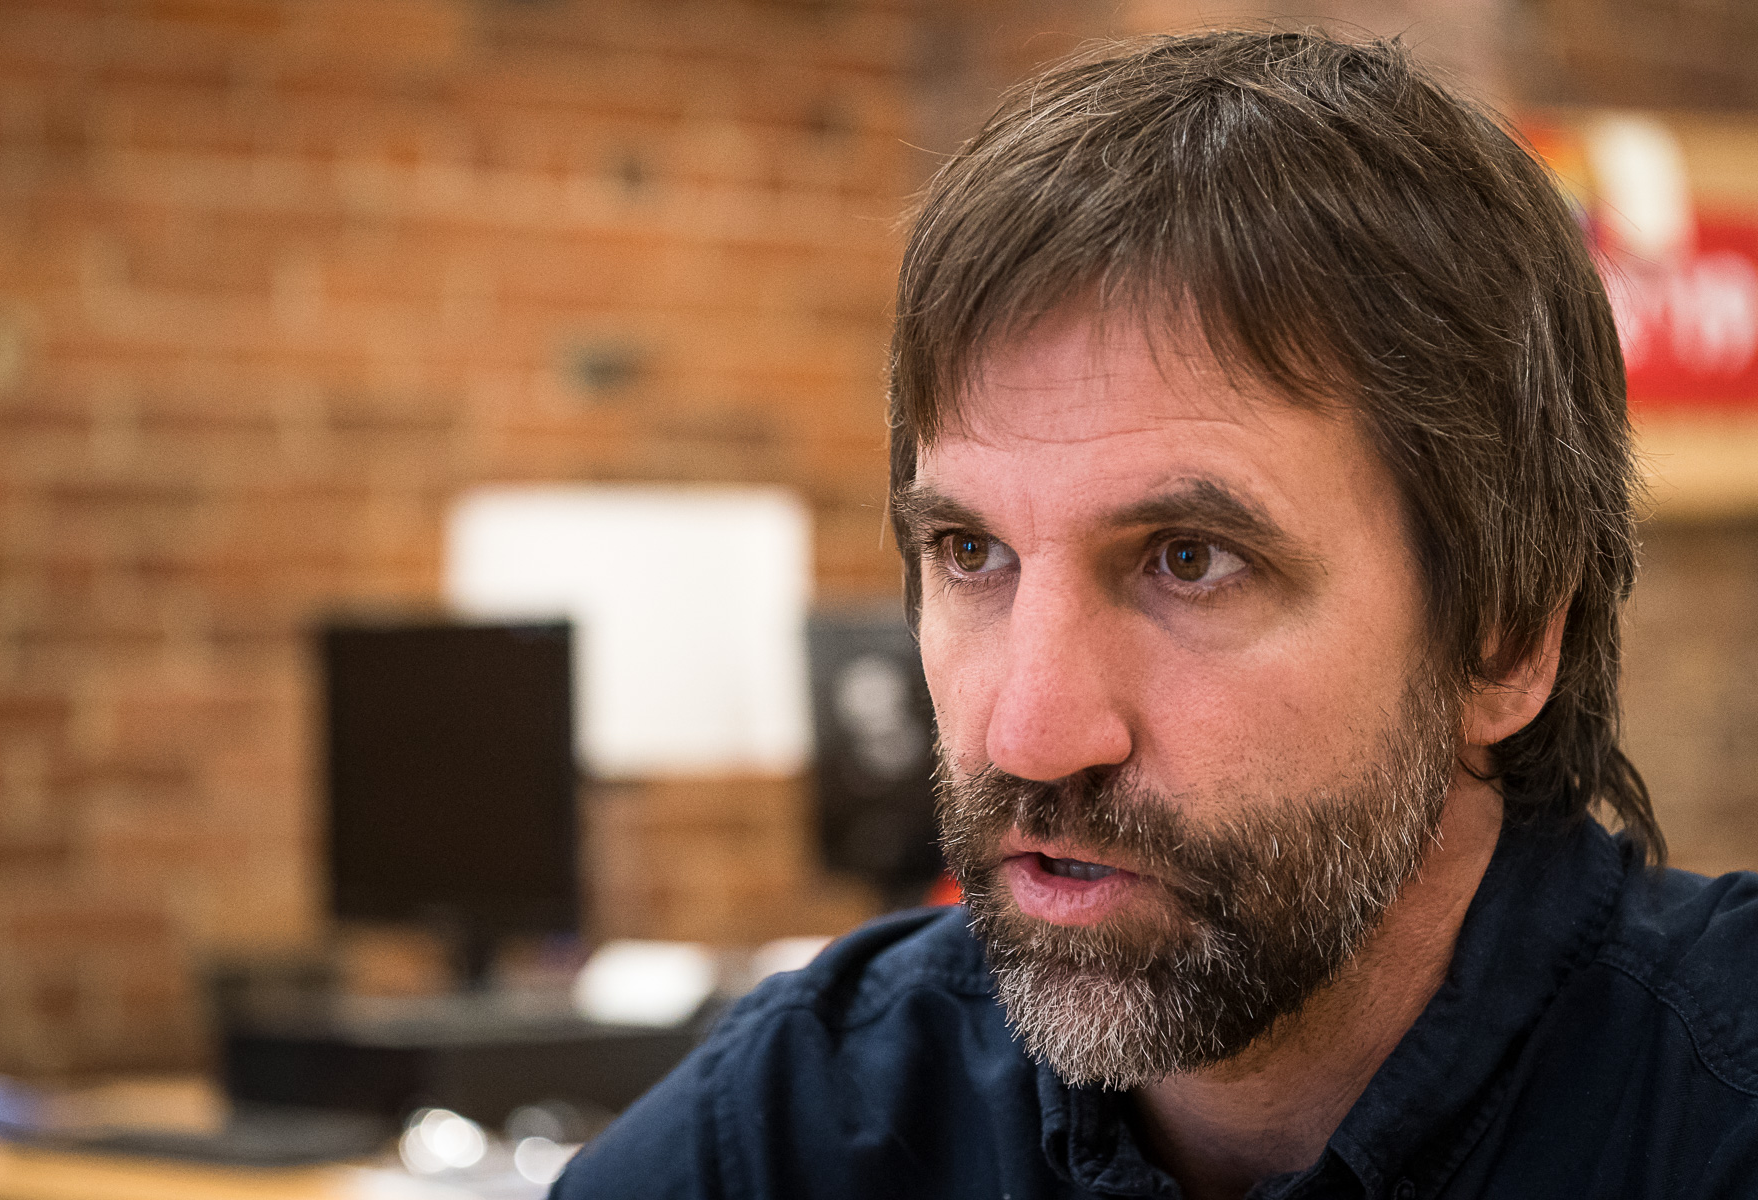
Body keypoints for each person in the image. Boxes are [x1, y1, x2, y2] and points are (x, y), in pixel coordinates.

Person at [555, 30, 1758, 1200]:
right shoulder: (798, 1126)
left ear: (1506, 639)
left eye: (1190, 560)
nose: (1031, 736)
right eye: (971, 553)